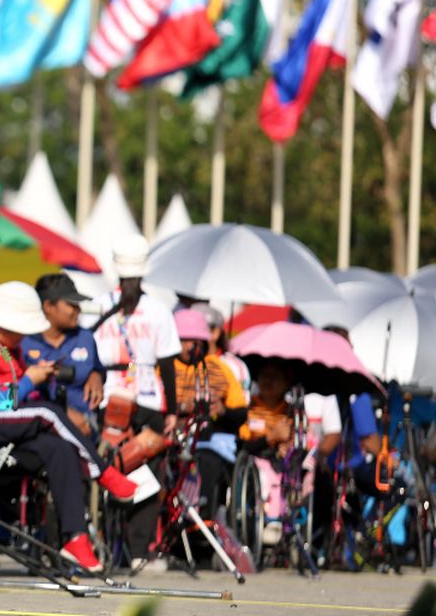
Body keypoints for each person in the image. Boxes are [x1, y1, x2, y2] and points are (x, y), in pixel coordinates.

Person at [0, 282, 138, 573]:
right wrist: (31, 379)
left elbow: (15, 397)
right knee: (47, 412)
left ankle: (76, 538)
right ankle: (102, 472)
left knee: (59, 449)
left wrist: (38, 377)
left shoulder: (10, 348)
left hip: (8, 428)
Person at [85, 234, 180, 570]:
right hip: (107, 394)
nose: (129, 284)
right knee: (104, 464)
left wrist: (172, 411)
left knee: (147, 470)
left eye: (134, 278)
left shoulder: (158, 310)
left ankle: (138, 548)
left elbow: (168, 363)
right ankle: (101, 539)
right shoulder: (98, 305)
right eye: (126, 278)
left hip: (149, 396)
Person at [239, 360, 342, 546]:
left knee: (298, 467)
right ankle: (271, 519)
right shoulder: (249, 408)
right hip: (257, 460)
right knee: (264, 474)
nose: (268, 381)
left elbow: (304, 437)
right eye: (264, 376)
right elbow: (244, 443)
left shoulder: (292, 412)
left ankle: (291, 516)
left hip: (284, 462)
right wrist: (271, 437)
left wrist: (287, 444)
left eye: (275, 377)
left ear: (286, 383)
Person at [170, 309, 248, 519]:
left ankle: (202, 515)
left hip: (209, 440)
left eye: (194, 341)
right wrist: (184, 407)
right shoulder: (164, 367)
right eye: (182, 340)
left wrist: (222, 411)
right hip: (170, 436)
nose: (188, 346)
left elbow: (241, 413)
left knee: (207, 460)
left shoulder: (220, 369)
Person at [22, 273, 105, 435]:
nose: (78, 310)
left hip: (87, 428)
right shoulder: (24, 341)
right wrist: (61, 415)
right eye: (71, 304)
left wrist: (97, 375)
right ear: (48, 307)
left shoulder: (85, 337)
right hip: (41, 430)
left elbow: (98, 367)